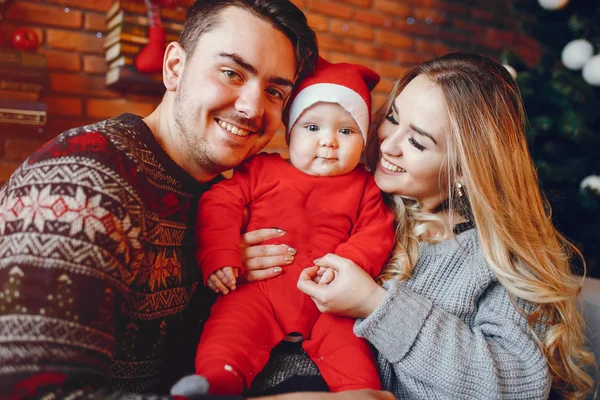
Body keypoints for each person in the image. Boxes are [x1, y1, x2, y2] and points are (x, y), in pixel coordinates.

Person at [0, 1, 394, 399]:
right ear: (174, 67)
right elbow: (31, 391)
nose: (252, 107)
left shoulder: (217, 192)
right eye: (231, 72)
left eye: (274, 91)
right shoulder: (85, 182)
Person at [286, 52, 596, 399]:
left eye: (418, 141)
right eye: (392, 118)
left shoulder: (493, 257)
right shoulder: (346, 194)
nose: (388, 144)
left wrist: (376, 305)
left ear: (466, 167)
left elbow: (518, 386)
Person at [171, 58, 395, 396]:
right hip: (260, 290)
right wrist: (221, 253)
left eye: (346, 131)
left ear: (363, 141)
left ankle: (361, 390)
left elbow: (376, 232)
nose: (329, 141)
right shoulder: (261, 170)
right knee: (231, 329)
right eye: (313, 127)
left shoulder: (365, 187)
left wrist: (347, 266)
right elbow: (220, 203)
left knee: (351, 348)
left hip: (328, 299)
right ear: (290, 133)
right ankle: (219, 380)